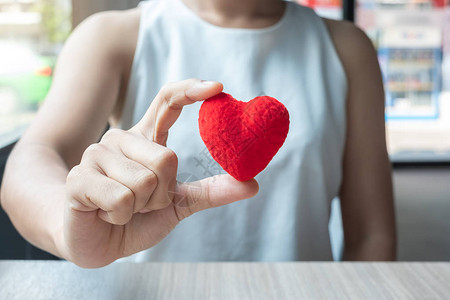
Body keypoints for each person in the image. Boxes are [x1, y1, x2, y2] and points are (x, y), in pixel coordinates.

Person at [0, 0, 396, 268]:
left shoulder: (346, 48)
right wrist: (70, 227)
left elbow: (372, 233)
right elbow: (33, 158)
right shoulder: (116, 35)